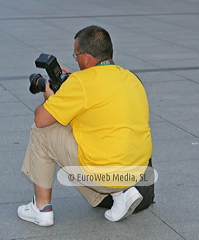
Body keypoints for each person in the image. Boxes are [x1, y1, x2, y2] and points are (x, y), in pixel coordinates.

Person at [17, 25, 152, 226]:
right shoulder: (131, 78)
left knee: (41, 132)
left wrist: (50, 99)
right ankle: (121, 195)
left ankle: (41, 208)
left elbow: (41, 119)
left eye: (76, 55)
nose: (76, 59)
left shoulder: (81, 82)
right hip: (137, 173)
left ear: (87, 58)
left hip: (106, 176)